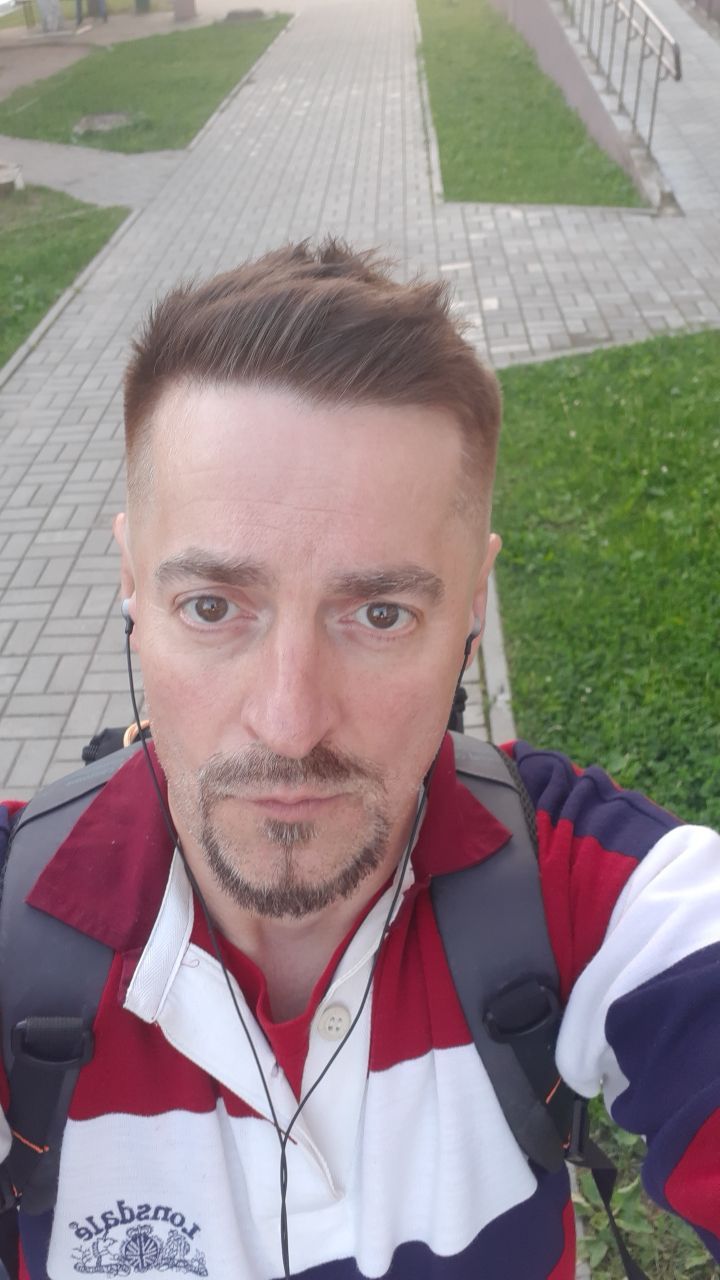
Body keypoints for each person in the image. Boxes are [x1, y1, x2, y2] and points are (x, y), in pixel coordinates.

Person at [0, 240, 719, 1280]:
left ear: (471, 606)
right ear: (130, 587)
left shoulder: (581, 891)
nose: (290, 723)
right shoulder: (18, 922)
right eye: (213, 606)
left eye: (380, 613)